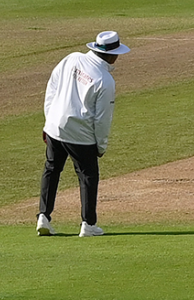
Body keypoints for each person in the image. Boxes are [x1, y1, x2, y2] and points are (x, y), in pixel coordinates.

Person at [38, 31, 130, 238]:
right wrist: (101, 146)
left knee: (51, 170)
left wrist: (49, 121)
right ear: (112, 55)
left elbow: (51, 88)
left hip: (55, 127)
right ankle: (88, 224)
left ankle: (43, 216)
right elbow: (102, 119)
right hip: (81, 135)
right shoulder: (105, 80)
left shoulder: (72, 58)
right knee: (88, 177)